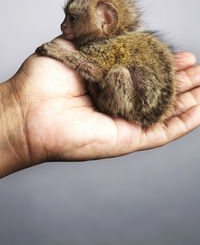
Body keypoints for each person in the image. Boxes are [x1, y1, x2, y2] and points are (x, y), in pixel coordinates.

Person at [0, 36, 200, 178]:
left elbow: (93, 68)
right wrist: (19, 107)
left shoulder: (111, 43)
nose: (63, 26)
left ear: (106, 20)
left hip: (130, 98)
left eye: (72, 18)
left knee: (116, 74)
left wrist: (61, 53)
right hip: (128, 97)